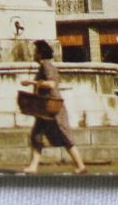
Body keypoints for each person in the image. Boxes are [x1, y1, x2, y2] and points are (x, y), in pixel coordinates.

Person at [20, 39, 87, 175]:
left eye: (35, 51)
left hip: (53, 108)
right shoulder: (44, 66)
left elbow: (51, 84)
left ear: (40, 53)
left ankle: (80, 165)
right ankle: (33, 167)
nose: (34, 54)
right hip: (45, 108)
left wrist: (31, 82)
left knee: (64, 135)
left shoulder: (47, 66)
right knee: (37, 136)